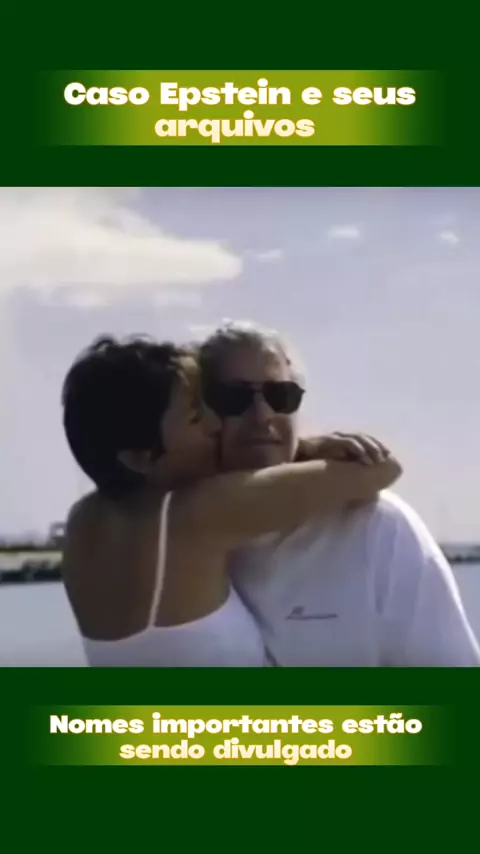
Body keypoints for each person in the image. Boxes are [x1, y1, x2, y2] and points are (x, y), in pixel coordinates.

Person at [61, 335, 401, 667]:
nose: (215, 425)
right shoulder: (199, 513)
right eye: (196, 417)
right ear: (140, 457)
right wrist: (304, 447)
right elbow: (377, 471)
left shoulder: (82, 522)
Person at [198, 320, 480, 667]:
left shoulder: (377, 528)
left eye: (281, 396)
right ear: (198, 413)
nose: (263, 415)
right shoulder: (167, 533)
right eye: (234, 398)